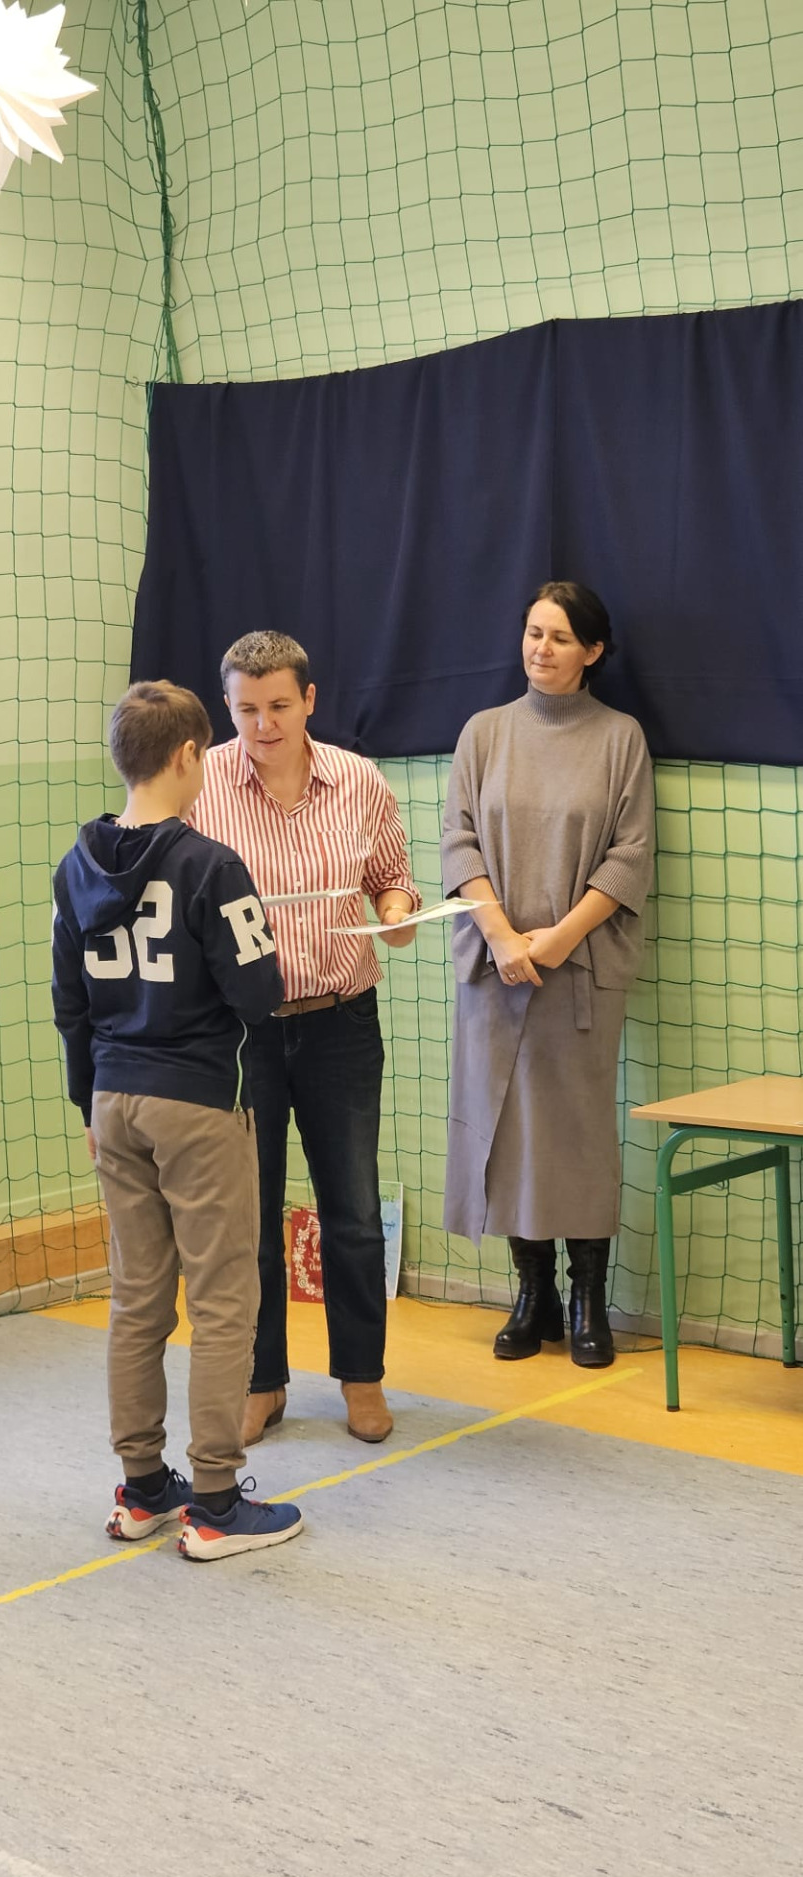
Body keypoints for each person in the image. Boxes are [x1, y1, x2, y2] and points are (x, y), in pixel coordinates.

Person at [52, 679, 303, 1562]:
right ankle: (215, 1502)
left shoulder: (75, 866)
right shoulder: (211, 865)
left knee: (136, 1299)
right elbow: (259, 994)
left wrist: (88, 1101)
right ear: (190, 755)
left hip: (113, 1099)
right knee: (225, 1299)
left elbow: (70, 1003)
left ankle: (141, 1490)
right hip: (197, 1101)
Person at [190, 630, 421, 1446]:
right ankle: (261, 1383)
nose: (263, 724)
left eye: (279, 706)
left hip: (340, 1021)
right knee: (248, 1220)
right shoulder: (200, 784)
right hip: (239, 1034)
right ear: (227, 706)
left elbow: (391, 880)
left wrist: (396, 913)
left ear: (309, 700)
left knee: (351, 1211)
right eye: (246, 709)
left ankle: (361, 1379)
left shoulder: (358, 780)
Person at [440, 582, 655, 1367]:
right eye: (534, 632)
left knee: (578, 1133)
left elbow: (629, 855)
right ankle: (532, 1295)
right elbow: (458, 841)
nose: (541, 648)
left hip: (579, 970)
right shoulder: (483, 732)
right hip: (494, 968)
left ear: (592, 651)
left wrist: (558, 940)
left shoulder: (620, 738)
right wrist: (502, 938)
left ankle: (586, 1296)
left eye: (560, 637)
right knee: (504, 1129)